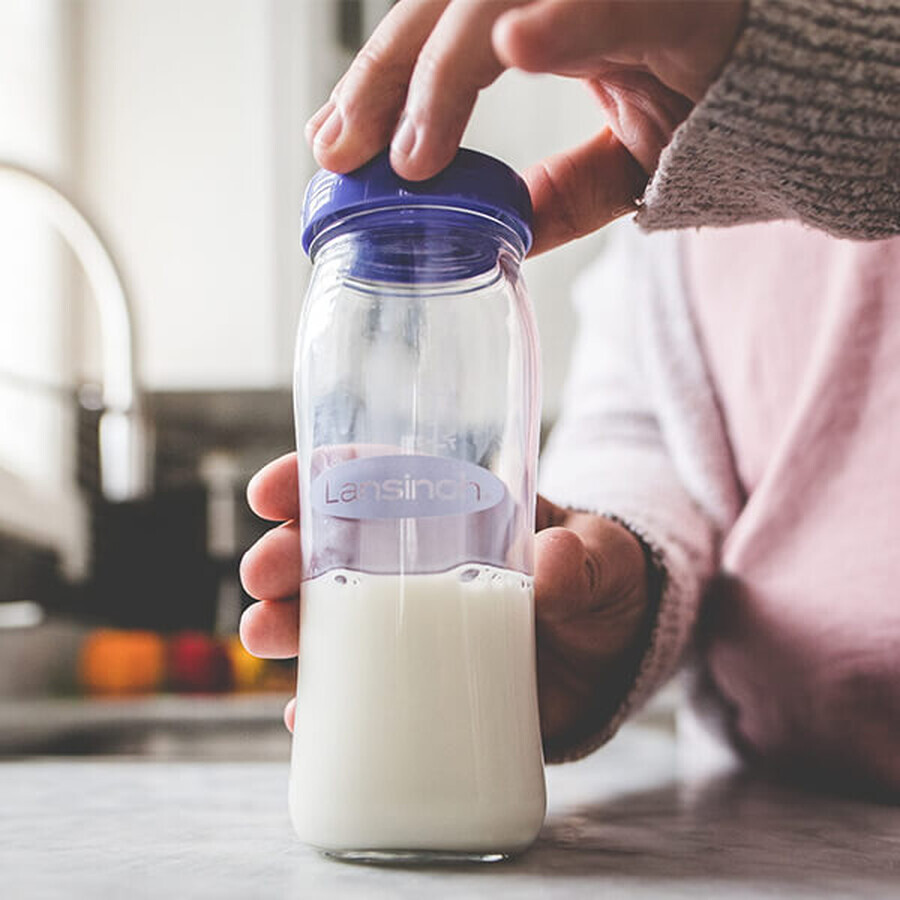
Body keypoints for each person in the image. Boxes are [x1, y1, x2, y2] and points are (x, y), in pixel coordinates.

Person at [238, 0, 900, 792]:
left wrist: (845, 83)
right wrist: (613, 586)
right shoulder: (688, 169)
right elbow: (644, 425)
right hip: (771, 812)